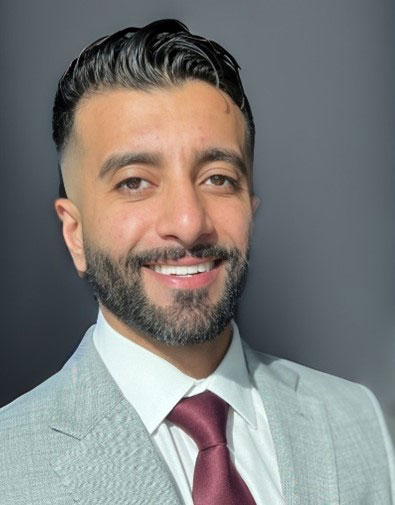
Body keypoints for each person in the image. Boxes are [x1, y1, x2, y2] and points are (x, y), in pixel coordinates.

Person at [0, 19, 394, 505]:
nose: (188, 223)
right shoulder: (10, 467)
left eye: (218, 178)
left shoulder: (358, 420)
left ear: (250, 205)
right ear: (75, 234)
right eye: (135, 182)